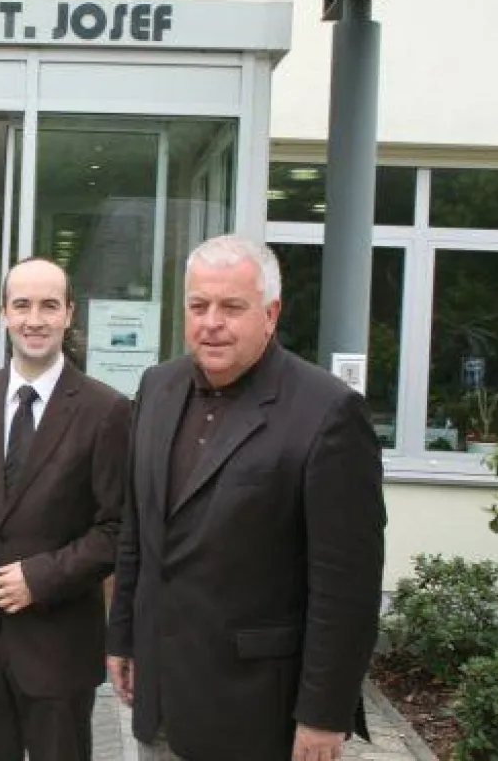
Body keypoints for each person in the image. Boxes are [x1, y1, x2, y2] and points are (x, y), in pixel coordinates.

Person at [106, 235, 386, 761]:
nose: (211, 321)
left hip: (259, 715)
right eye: (198, 305)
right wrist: (122, 635)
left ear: (271, 313)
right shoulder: (156, 388)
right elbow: (137, 532)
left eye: (231, 306)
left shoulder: (329, 412)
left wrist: (324, 715)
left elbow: (346, 588)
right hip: (162, 701)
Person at [0, 256, 131, 761]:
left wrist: (42, 577)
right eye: (22, 305)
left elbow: (117, 527)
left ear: (69, 314)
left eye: (48, 306)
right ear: (3, 312)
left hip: (58, 643)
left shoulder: (107, 410)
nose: (34, 319)